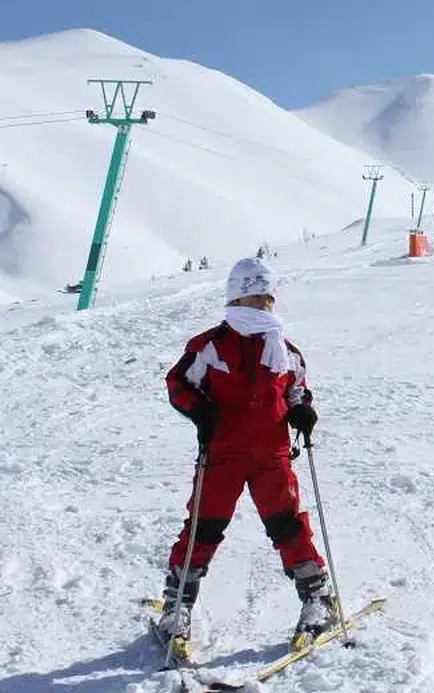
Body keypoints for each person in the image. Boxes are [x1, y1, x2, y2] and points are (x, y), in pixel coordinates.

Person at [157, 258, 334, 649]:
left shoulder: (285, 349)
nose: (264, 307)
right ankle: (176, 605)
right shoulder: (210, 346)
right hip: (222, 454)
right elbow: (178, 383)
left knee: (287, 525)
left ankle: (317, 596)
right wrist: (200, 411)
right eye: (256, 298)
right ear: (237, 298)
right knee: (203, 527)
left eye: (268, 299)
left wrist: (301, 409)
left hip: (271, 455)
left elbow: (296, 388)